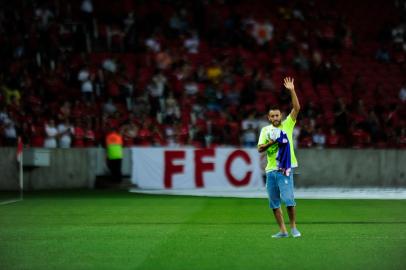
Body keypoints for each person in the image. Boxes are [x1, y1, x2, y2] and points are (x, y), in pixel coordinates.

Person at [257, 77, 301, 238]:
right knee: (274, 203)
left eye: (277, 115)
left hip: (285, 168)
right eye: (272, 116)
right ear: (269, 118)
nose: (275, 118)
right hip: (270, 170)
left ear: (281, 116)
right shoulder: (265, 131)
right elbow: (259, 149)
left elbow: (296, 108)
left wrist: (291, 90)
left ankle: (294, 228)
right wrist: (271, 143)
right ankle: (283, 231)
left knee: (289, 200)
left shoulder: (287, 125)